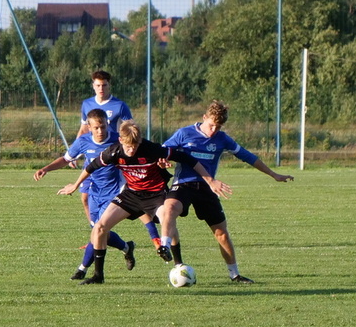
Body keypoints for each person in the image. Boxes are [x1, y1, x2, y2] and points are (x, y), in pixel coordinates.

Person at [57, 121, 230, 284]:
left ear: (140, 141)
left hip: (156, 194)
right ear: (120, 140)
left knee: (167, 218)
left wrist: (209, 180)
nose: (132, 150)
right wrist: (75, 185)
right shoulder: (113, 152)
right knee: (100, 228)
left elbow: (187, 158)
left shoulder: (151, 149)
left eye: (135, 145)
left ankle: (177, 261)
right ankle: (98, 275)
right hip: (131, 194)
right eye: (128, 146)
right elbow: (90, 167)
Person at [162, 101, 293, 283]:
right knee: (169, 208)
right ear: (204, 118)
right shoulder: (184, 133)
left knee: (221, 233)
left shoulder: (222, 139)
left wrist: (273, 174)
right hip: (184, 184)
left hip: (208, 188)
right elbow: (162, 151)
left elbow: (247, 156)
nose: (214, 130)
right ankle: (164, 246)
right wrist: (163, 160)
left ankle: (235, 274)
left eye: (218, 127)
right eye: (211, 125)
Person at [35, 108, 136, 279]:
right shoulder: (83, 142)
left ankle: (83, 270)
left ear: (107, 124)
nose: (100, 131)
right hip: (94, 193)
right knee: (100, 232)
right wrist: (46, 169)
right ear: (89, 127)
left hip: (115, 192)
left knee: (98, 231)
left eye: (103, 127)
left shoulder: (117, 139)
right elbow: (66, 159)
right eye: (96, 128)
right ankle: (126, 247)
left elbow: (136, 150)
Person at [74, 70, 165, 257]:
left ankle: (154, 237)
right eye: (98, 85)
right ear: (93, 85)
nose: (101, 88)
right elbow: (83, 129)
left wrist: (135, 150)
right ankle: (96, 234)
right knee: (84, 197)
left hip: (114, 158)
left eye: (104, 85)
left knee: (132, 199)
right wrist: (76, 151)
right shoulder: (87, 104)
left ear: (109, 85)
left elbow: (131, 130)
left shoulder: (119, 105)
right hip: (93, 158)